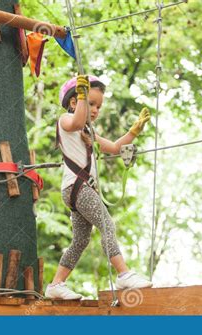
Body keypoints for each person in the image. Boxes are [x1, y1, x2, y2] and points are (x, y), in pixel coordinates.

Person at [45, 75, 153, 300]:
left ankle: (56, 284)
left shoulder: (88, 132)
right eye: (90, 103)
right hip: (78, 187)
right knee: (107, 224)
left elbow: (113, 147)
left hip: (80, 190)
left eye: (98, 106)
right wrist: (82, 96)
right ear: (74, 102)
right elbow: (75, 121)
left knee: (80, 240)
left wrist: (134, 131)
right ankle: (123, 274)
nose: (95, 110)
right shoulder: (66, 120)